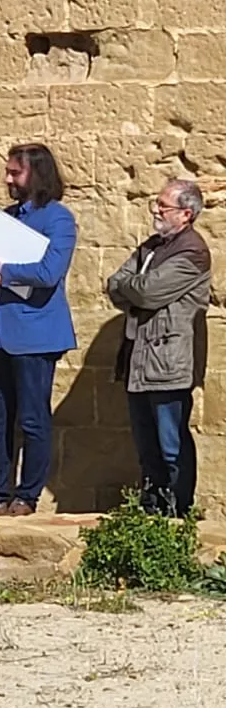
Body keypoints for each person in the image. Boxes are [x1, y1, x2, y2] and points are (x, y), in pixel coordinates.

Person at [0, 143, 78, 517]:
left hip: (34, 334)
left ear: (37, 175)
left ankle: (27, 496)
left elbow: (49, 272)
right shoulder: (6, 218)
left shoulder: (58, 219)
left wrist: (3, 271)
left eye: (15, 172)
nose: (7, 178)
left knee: (32, 417)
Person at [107, 179, 214, 517]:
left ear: (186, 214)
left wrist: (133, 288)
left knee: (172, 446)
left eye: (163, 205)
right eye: (155, 202)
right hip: (138, 360)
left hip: (168, 362)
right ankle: (151, 510)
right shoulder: (151, 247)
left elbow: (147, 293)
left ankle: (178, 512)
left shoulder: (192, 251)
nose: (155, 210)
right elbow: (113, 284)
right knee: (147, 446)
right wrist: (133, 288)